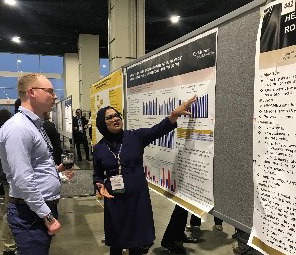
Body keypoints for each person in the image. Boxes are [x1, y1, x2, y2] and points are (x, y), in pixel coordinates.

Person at [93, 96, 196, 255]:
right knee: (117, 238)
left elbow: (158, 129)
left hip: (137, 196)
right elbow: (98, 174)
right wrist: (99, 184)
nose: (115, 119)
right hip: (115, 198)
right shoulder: (99, 148)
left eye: (117, 115)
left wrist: (174, 114)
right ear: (102, 123)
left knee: (137, 238)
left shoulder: (135, 137)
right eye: (110, 117)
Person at [0, 73, 73, 255]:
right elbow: (23, 179)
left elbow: (37, 167)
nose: (55, 96)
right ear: (32, 92)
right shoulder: (19, 128)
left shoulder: (34, 125)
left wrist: (59, 175)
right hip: (30, 213)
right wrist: (47, 217)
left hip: (37, 209)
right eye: (50, 91)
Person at [0, 109, 16, 255]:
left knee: (8, 210)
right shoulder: (6, 134)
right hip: (9, 179)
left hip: (6, 178)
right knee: (9, 211)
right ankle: (8, 246)